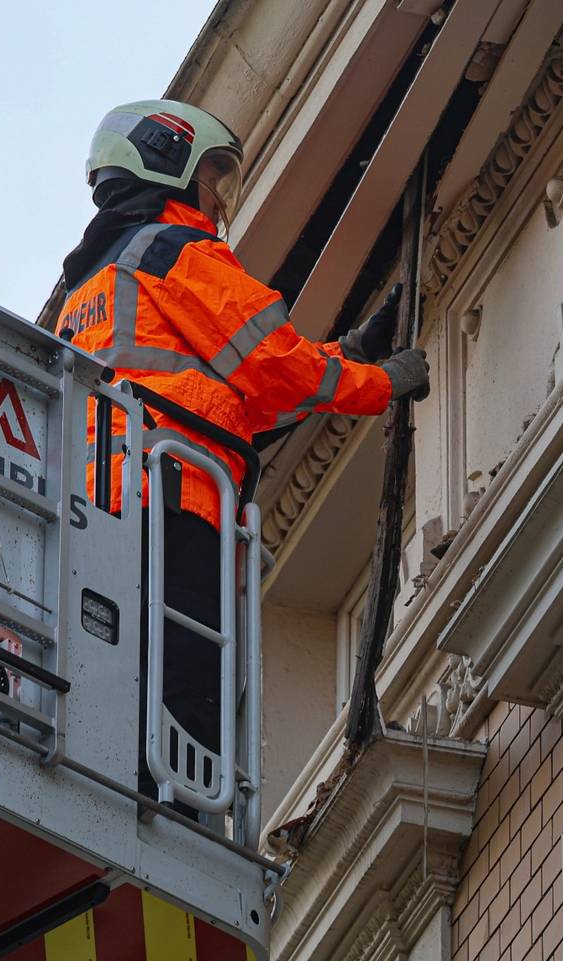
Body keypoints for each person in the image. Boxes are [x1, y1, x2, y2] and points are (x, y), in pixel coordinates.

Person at [54, 99, 429, 799]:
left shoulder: (92, 286)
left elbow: (226, 396)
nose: (217, 196)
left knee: (124, 680)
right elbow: (270, 363)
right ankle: (176, 816)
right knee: (188, 688)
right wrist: (376, 381)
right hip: (174, 498)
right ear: (166, 162)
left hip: (104, 510)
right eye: (211, 175)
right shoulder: (175, 252)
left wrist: (341, 353)